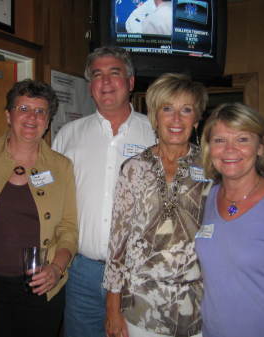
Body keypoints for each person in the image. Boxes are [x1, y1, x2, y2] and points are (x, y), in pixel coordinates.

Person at [102, 73, 264, 337]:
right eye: (167, 109)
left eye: (186, 110)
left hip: (197, 310)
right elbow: (118, 241)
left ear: (197, 119)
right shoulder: (133, 168)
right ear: (155, 117)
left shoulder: (212, 165)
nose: (176, 119)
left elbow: (250, 178)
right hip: (140, 307)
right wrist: (112, 306)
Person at [52, 46, 156, 337]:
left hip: (140, 273)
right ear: (90, 87)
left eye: (115, 73)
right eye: (97, 75)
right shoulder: (68, 135)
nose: (106, 82)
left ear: (131, 82)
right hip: (82, 272)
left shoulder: (156, 133)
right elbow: (47, 194)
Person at [0, 79, 78, 337]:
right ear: (8, 115)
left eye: (41, 111)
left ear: (49, 120)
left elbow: (69, 228)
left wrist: (56, 268)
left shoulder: (61, 166)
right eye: (23, 109)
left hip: (40, 285)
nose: (32, 117)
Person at [196, 102, 264, 337]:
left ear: (261, 147)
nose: (229, 150)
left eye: (242, 139)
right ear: (209, 148)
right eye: (219, 140)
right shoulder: (208, 195)